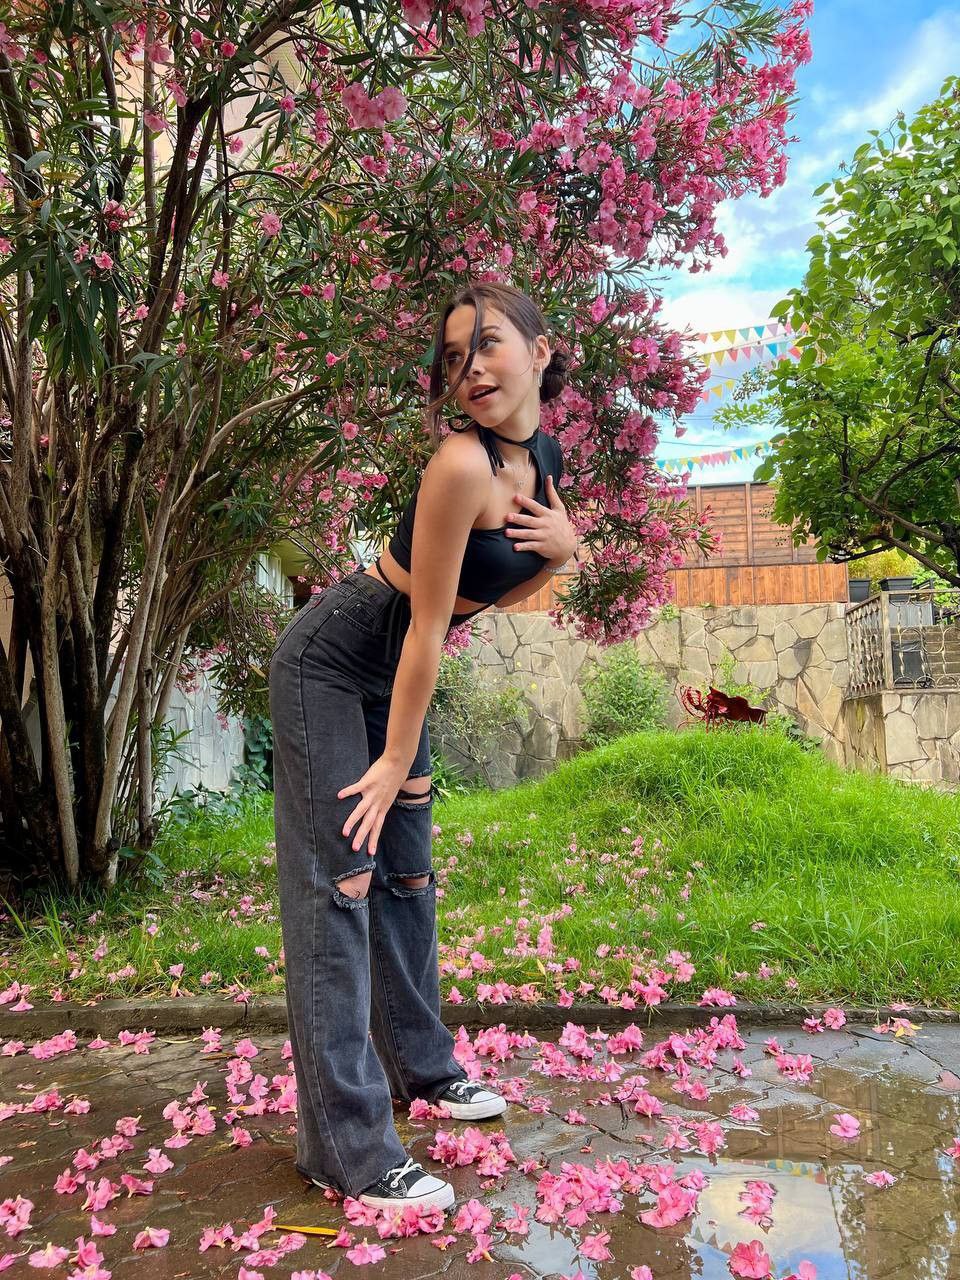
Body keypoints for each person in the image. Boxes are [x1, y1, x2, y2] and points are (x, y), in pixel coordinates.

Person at [269, 281, 578, 1211]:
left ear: (541, 350)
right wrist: (394, 762)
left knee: (407, 876)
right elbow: (428, 630)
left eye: (487, 343)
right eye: (453, 357)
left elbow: (503, 582)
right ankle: (347, 1148)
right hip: (337, 661)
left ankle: (423, 1068)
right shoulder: (459, 466)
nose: (469, 368)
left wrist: (568, 547)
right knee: (341, 883)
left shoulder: (541, 457)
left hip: (396, 670)